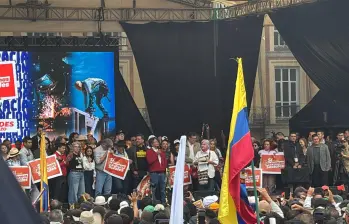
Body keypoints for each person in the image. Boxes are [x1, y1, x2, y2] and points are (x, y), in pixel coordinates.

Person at [146, 137, 167, 204]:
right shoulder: (149, 151)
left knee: (162, 189)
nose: (157, 143)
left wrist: (164, 169)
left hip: (162, 172)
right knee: (154, 189)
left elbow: (164, 161)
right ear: (152, 144)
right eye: (155, 142)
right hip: (154, 173)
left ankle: (163, 202)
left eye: (157, 142)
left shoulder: (161, 151)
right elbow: (149, 161)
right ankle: (154, 203)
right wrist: (156, 154)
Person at [67, 141, 85, 208]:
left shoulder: (81, 154)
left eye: (78, 147)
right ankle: (72, 207)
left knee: (81, 191)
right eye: (75, 147)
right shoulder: (70, 155)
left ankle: (80, 206)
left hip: (81, 173)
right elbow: (67, 163)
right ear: (72, 147)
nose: (77, 148)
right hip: (74, 173)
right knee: (73, 192)